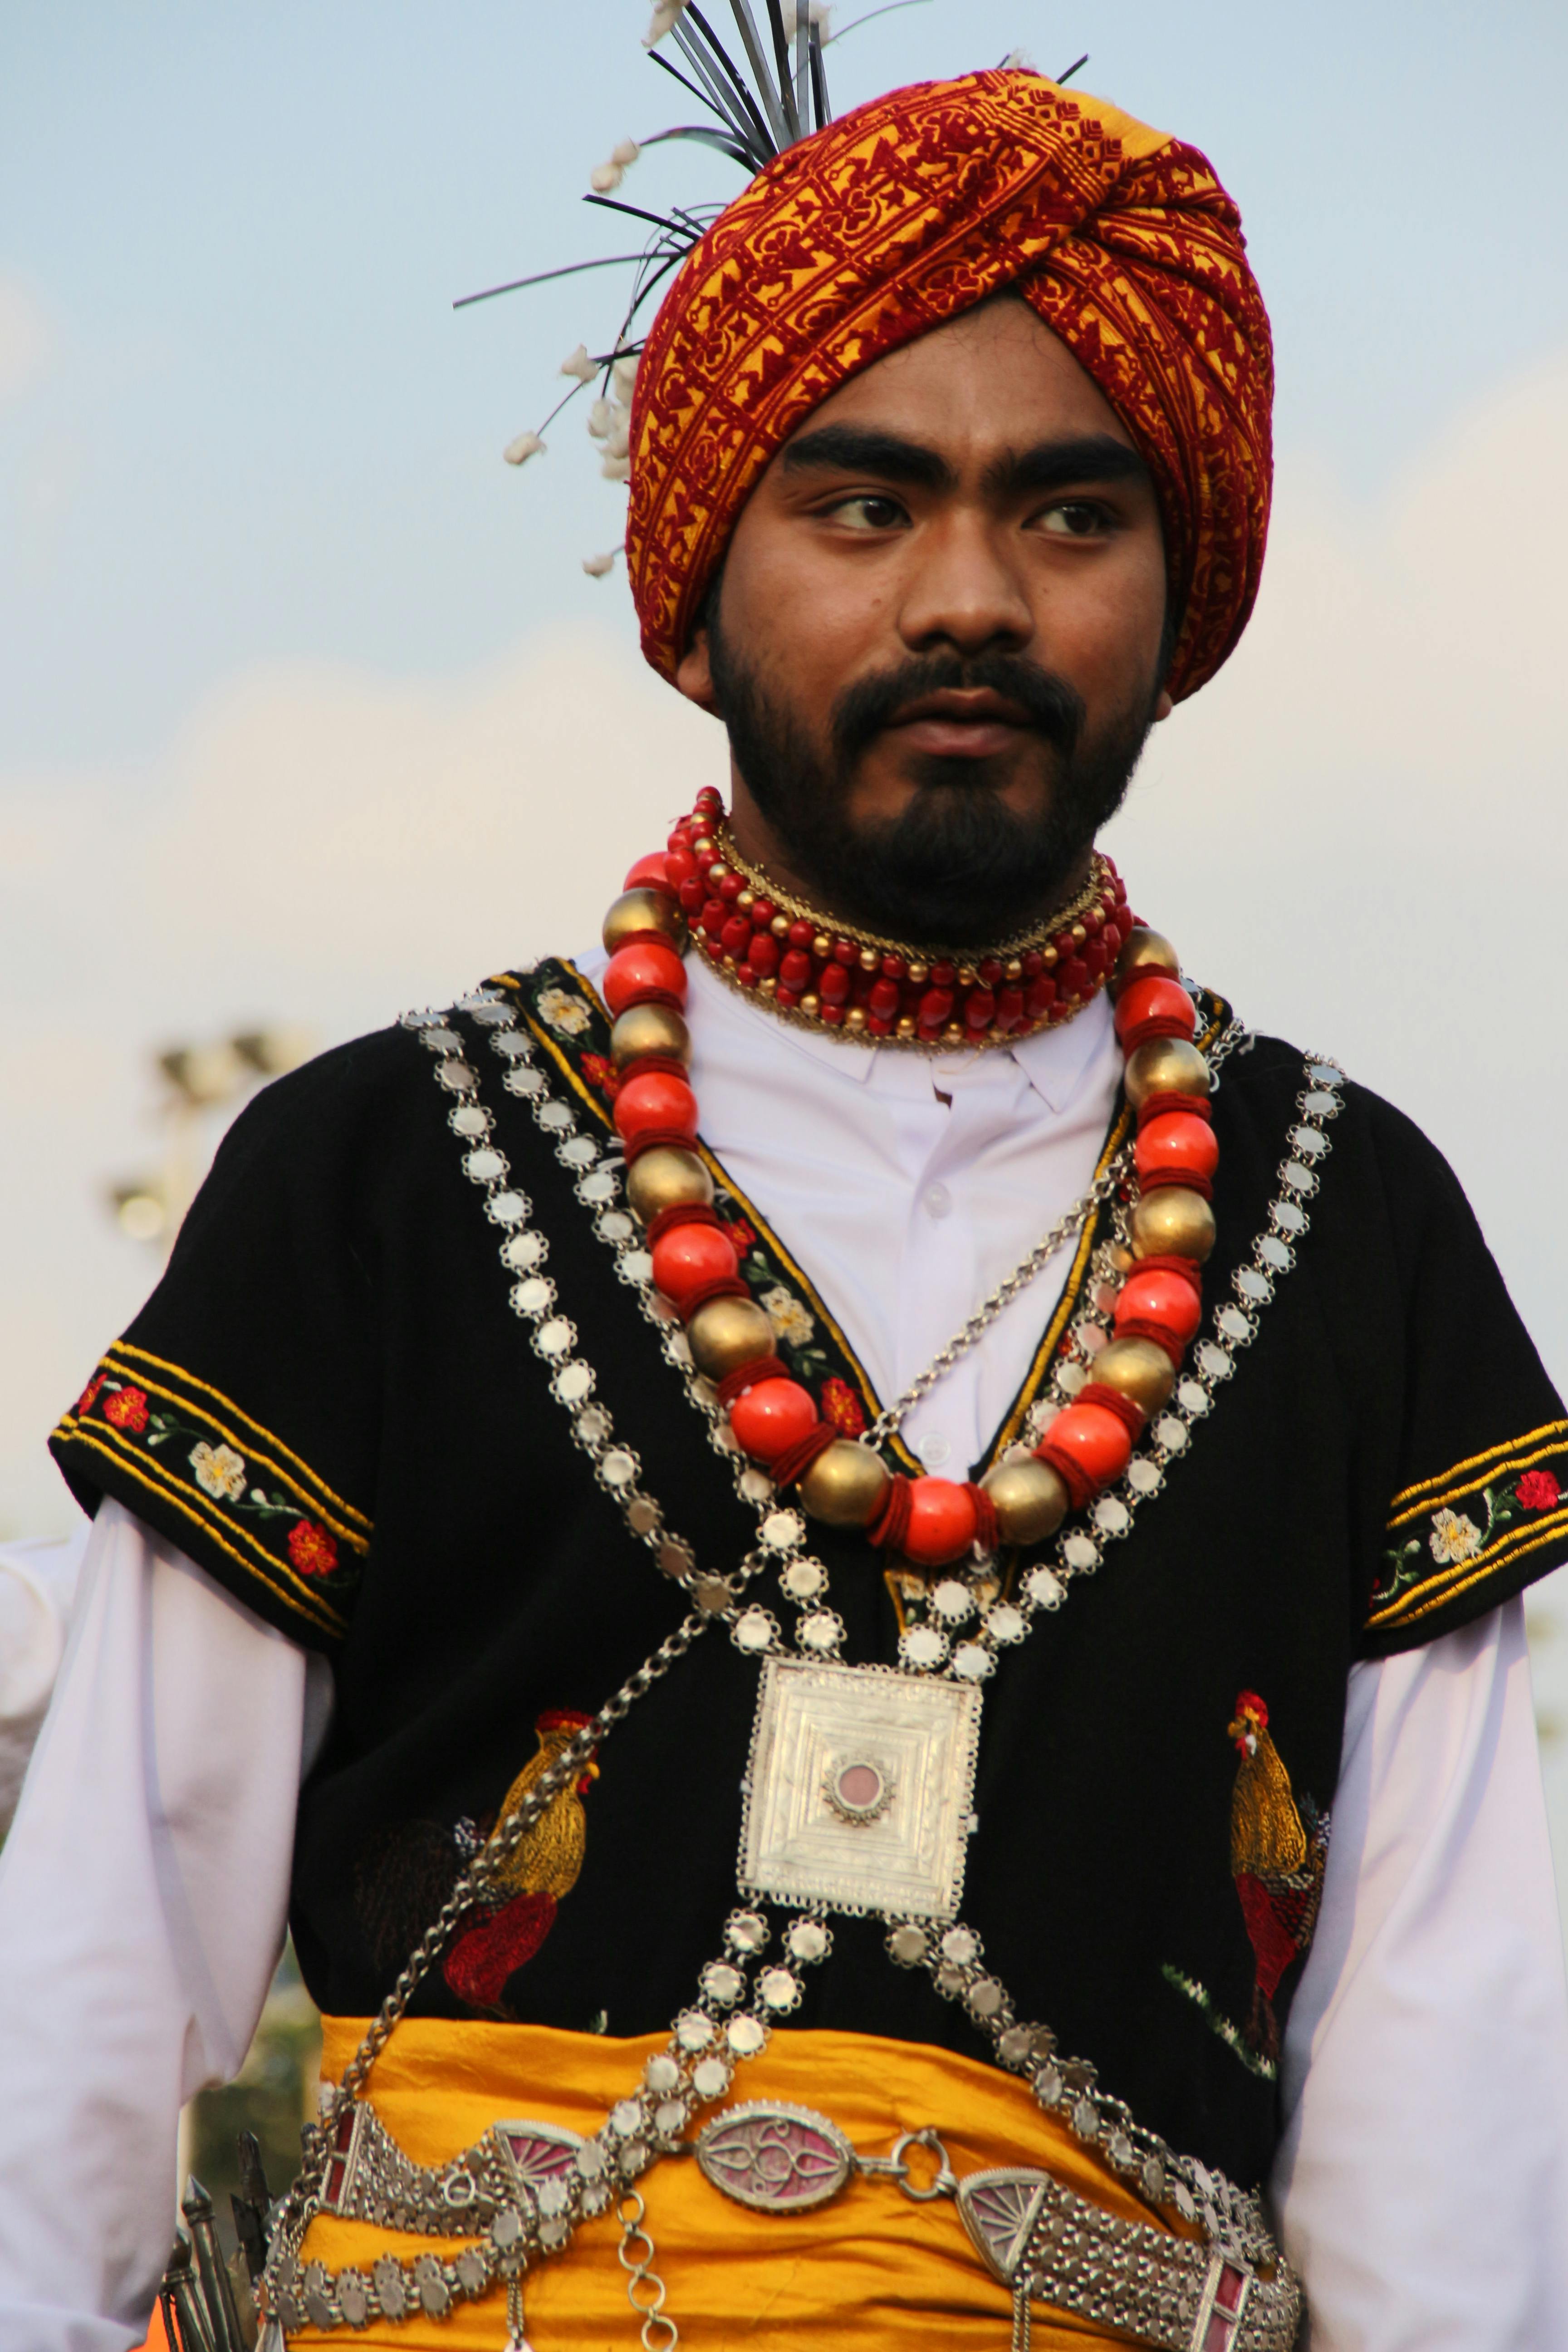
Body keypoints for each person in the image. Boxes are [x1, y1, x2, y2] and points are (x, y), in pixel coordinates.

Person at [3, 55, 1567, 2352]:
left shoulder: (1351, 1230)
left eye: (1068, 515)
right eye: (861, 507)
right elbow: (96, 1965)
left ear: (1182, 578)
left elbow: (1445, 2086)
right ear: (700, 570)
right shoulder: (379, 1178)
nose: (968, 598)